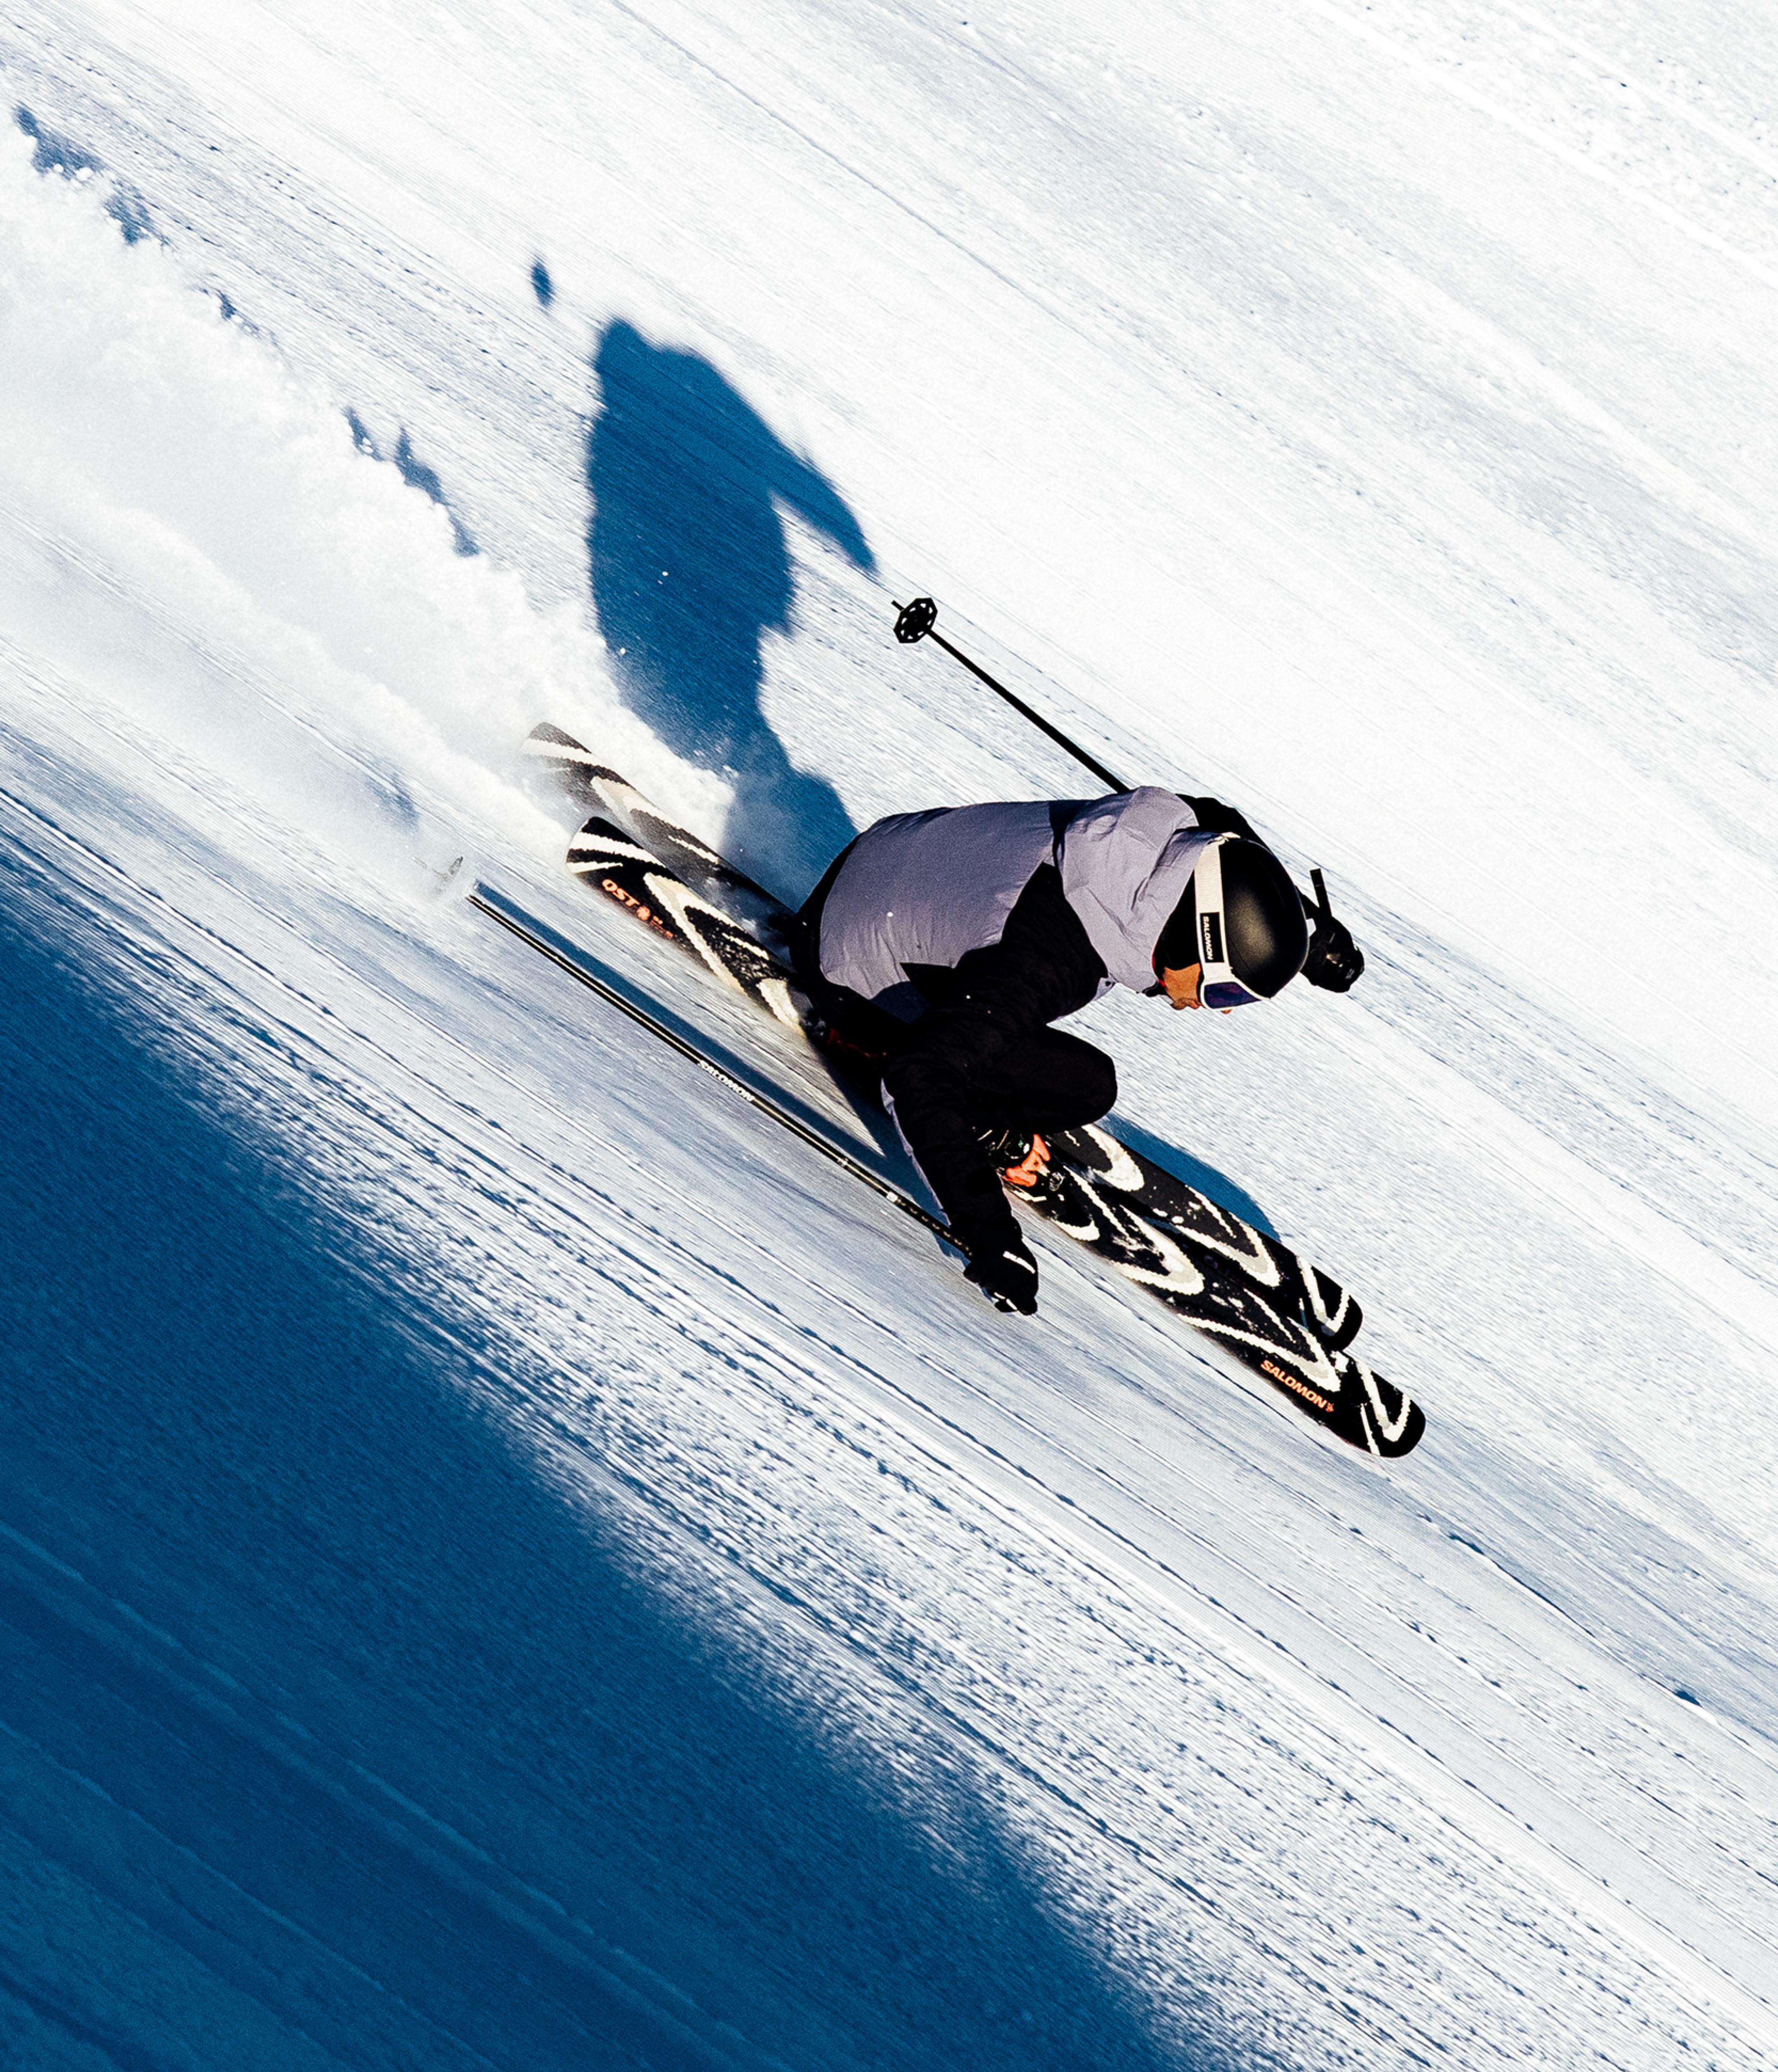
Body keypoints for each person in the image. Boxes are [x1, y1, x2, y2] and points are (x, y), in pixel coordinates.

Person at [787, 787, 1363, 1314]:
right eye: (1223, 988)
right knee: (1082, 1085)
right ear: (1193, 937)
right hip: (845, 963)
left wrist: (1301, 936)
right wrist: (991, 1235)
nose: (1221, 1007)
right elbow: (919, 1074)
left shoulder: (1170, 837)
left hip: (889, 856)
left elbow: (1229, 838)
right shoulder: (1048, 957)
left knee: (1054, 1067)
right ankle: (954, 1103)